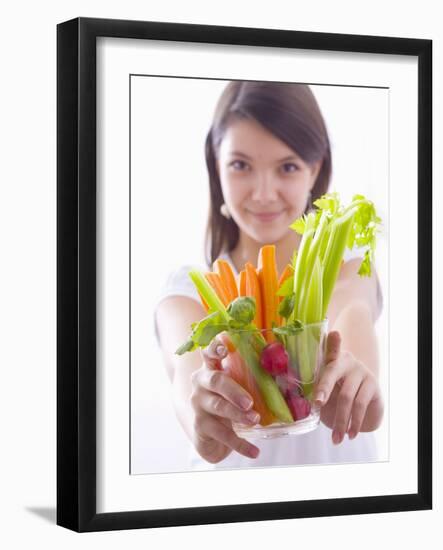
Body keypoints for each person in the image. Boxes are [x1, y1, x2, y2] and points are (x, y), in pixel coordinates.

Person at [155, 81, 384, 469]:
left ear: (316, 170)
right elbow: (188, 373)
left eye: (288, 166)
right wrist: (199, 416)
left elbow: (353, 323)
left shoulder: (346, 269)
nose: (263, 193)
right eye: (241, 165)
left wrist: (362, 396)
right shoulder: (187, 290)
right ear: (216, 166)